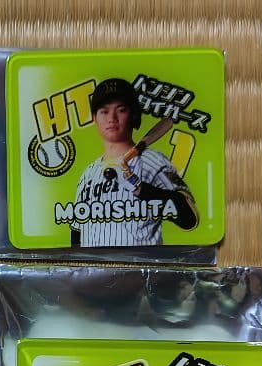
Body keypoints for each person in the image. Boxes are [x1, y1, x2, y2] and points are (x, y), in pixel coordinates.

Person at [72, 78, 198, 247]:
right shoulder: (88, 173)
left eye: (121, 110)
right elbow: (77, 232)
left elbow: (190, 218)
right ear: (95, 117)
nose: (112, 118)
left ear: (133, 115)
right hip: (94, 264)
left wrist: (142, 190)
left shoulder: (151, 161)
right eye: (104, 111)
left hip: (141, 263)